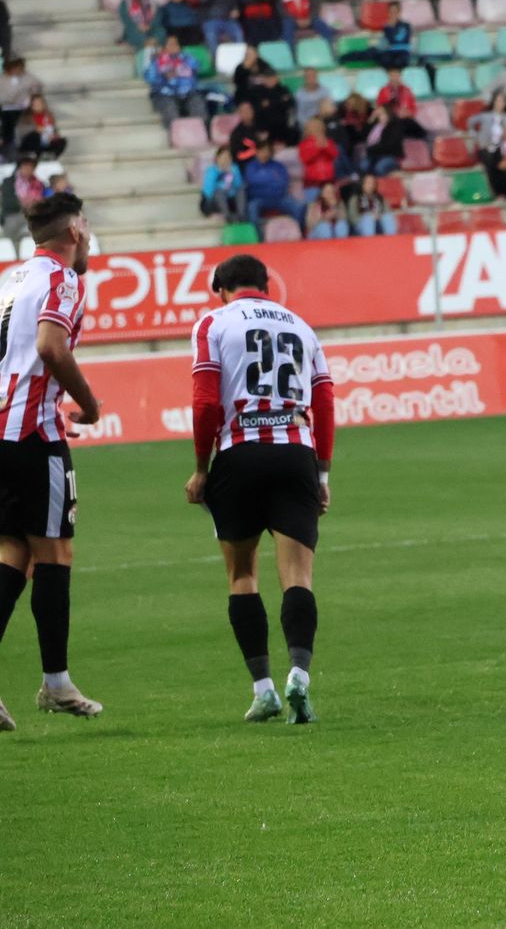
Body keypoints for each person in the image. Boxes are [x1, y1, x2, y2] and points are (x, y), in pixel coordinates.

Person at [0, 193, 105, 732]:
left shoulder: (9, 283)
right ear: (72, 231)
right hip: (29, 435)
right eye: (85, 223)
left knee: (14, 552)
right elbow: (49, 346)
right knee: (56, 552)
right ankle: (57, 683)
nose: (88, 233)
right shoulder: (63, 279)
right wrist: (88, 405)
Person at [185, 254, 333, 724]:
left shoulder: (212, 324)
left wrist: (201, 468)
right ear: (266, 286)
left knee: (242, 576)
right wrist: (323, 473)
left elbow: (206, 402)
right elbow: (325, 402)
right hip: (295, 455)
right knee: (298, 577)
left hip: (238, 456)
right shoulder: (302, 326)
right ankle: (300, 677)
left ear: (220, 288)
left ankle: (263, 688)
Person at [145, 36, 208, 126]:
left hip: (188, 94)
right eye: (170, 45)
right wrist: (163, 71)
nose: (173, 47)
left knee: (198, 104)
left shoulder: (186, 58)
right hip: (164, 95)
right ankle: (176, 136)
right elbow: (151, 78)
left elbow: (196, 67)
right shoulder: (156, 61)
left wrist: (179, 64)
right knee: (170, 109)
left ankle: (200, 133)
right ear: (163, 47)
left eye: (175, 44)